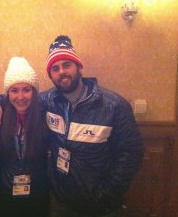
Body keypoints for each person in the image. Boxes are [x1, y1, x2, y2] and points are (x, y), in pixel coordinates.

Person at [40, 35, 143, 217]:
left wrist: (108, 194)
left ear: (79, 67)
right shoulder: (47, 101)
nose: (61, 72)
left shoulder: (113, 106)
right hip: (61, 203)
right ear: (50, 75)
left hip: (101, 207)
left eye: (67, 65)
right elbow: (19, 99)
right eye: (55, 68)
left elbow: (131, 153)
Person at [0, 57, 49, 217]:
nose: (21, 96)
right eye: (14, 90)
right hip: (5, 192)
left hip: (38, 192)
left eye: (26, 89)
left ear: (34, 91)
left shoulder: (46, 114)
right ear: (7, 93)